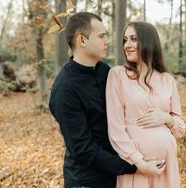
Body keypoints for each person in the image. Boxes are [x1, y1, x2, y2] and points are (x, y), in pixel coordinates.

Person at [49, 12, 165, 188]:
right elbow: (83, 149)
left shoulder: (105, 71)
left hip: (118, 177)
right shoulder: (65, 89)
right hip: (87, 181)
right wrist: (134, 167)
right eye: (101, 36)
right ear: (82, 40)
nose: (107, 41)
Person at [106, 21, 186, 188]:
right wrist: (139, 162)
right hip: (137, 168)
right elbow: (116, 129)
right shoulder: (118, 75)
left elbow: (180, 129)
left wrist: (166, 119)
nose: (127, 45)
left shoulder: (167, 80)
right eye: (125, 40)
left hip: (166, 168)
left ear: (148, 42)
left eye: (133, 39)